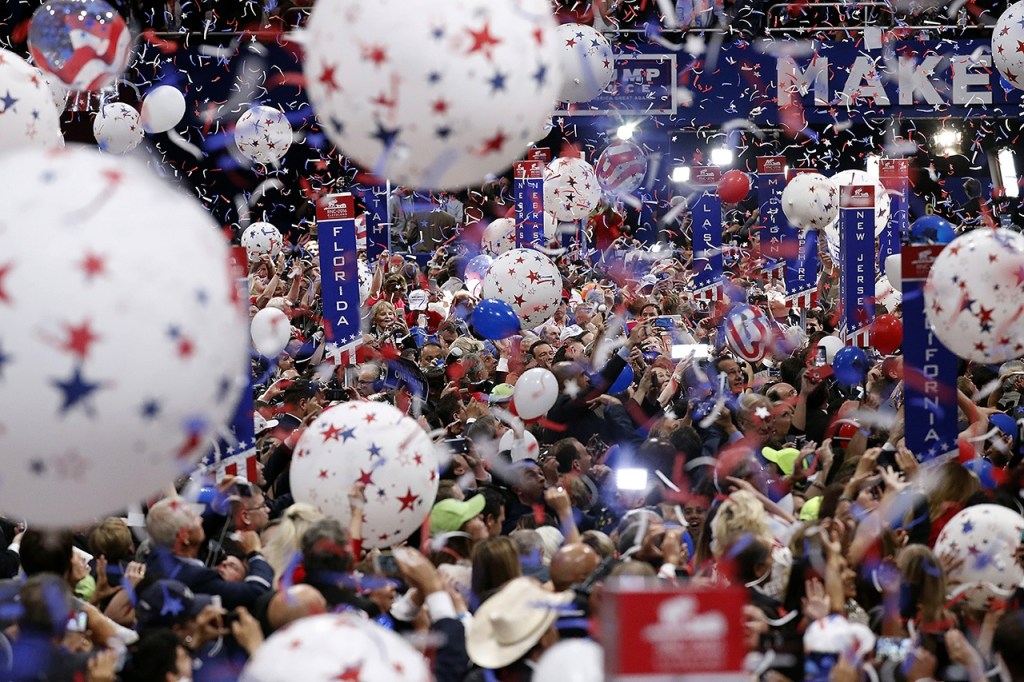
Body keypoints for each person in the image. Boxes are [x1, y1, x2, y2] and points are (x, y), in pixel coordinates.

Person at [144, 497, 274, 610]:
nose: (201, 519)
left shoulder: (156, 556)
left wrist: (219, 504)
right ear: (185, 538)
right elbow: (257, 591)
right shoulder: (196, 577)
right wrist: (255, 553)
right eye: (194, 518)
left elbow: (200, 531)